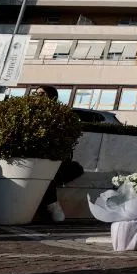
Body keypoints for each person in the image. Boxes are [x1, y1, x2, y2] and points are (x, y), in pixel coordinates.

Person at [30, 85, 84, 223]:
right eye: (36, 93)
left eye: (42, 94)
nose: (37, 96)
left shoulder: (60, 115)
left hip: (53, 157)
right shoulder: (29, 112)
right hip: (33, 157)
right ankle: (51, 205)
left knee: (69, 169)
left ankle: (50, 205)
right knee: (45, 173)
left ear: (52, 97)